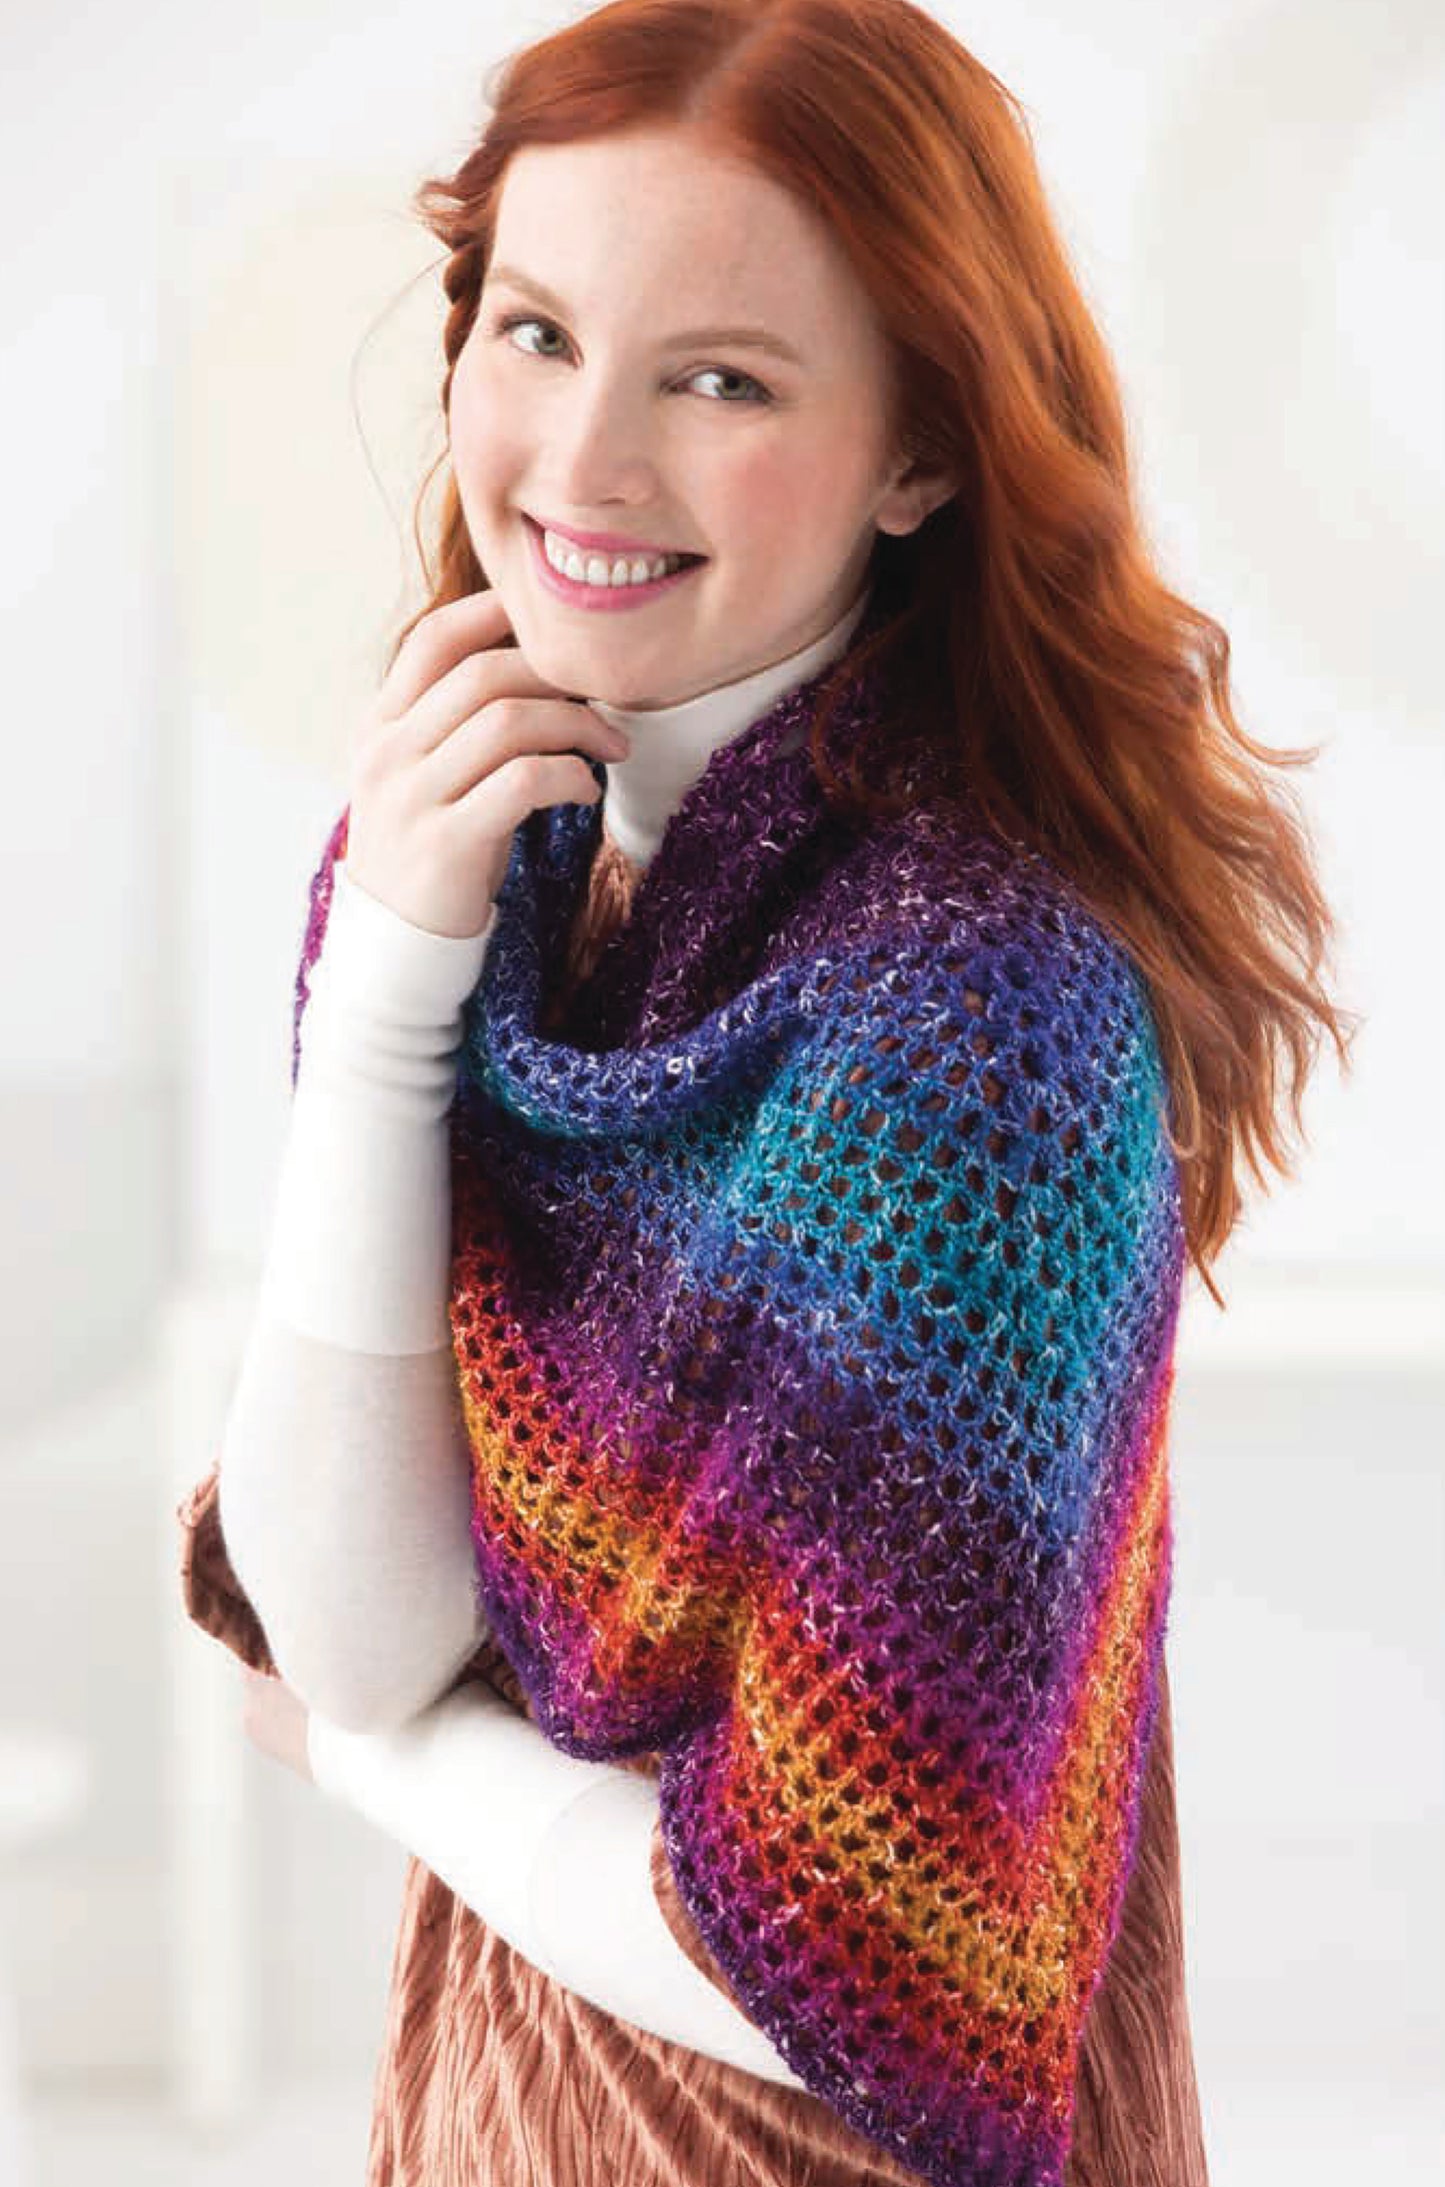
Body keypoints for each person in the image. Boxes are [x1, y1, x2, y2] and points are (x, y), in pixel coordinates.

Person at [177, 0, 1356, 2180]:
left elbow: (851, 1968)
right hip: (506, 2100)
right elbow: (355, 1618)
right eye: (535, 331)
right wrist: (390, 989)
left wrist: (382, 1768)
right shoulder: (486, 857)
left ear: (920, 451)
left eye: (719, 378)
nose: (583, 463)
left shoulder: (971, 1019)